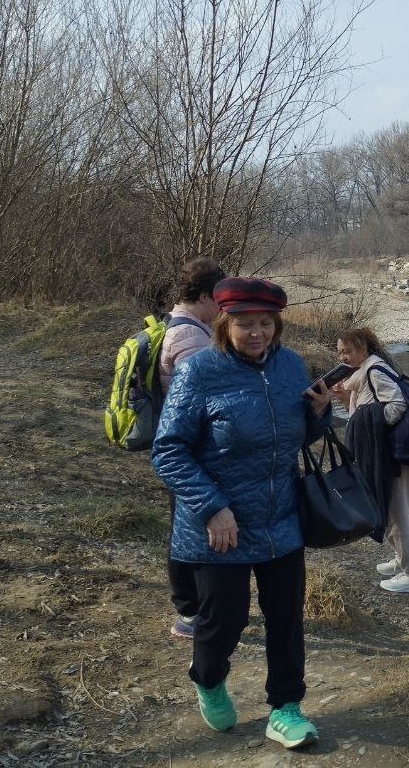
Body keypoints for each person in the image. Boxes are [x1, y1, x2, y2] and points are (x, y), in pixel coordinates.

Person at [152, 276, 332, 749]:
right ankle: (208, 679)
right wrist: (213, 508)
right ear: (225, 325)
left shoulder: (291, 366)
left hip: (281, 517)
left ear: (277, 324)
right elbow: (168, 451)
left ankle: (286, 707)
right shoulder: (200, 372)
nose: (258, 333)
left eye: (266, 323)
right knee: (224, 622)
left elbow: (298, 438)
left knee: (287, 618)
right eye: (246, 324)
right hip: (220, 525)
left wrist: (318, 414)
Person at [159, 256, 226, 641]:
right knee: (187, 530)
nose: (221, 310)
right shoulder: (189, 337)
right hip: (187, 449)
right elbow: (202, 397)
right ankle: (189, 612)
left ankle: (191, 609)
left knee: (183, 525)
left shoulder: (182, 326)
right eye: (217, 300)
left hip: (181, 444)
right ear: (202, 296)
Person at [331, 327, 409, 594]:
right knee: (389, 508)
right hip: (383, 452)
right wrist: (345, 397)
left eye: (348, 351)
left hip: (391, 454)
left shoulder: (373, 370)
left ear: (363, 349)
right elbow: (366, 406)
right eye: (339, 352)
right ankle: (400, 560)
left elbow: (396, 407)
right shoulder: (364, 373)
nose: (343, 356)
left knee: (398, 512)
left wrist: (366, 420)